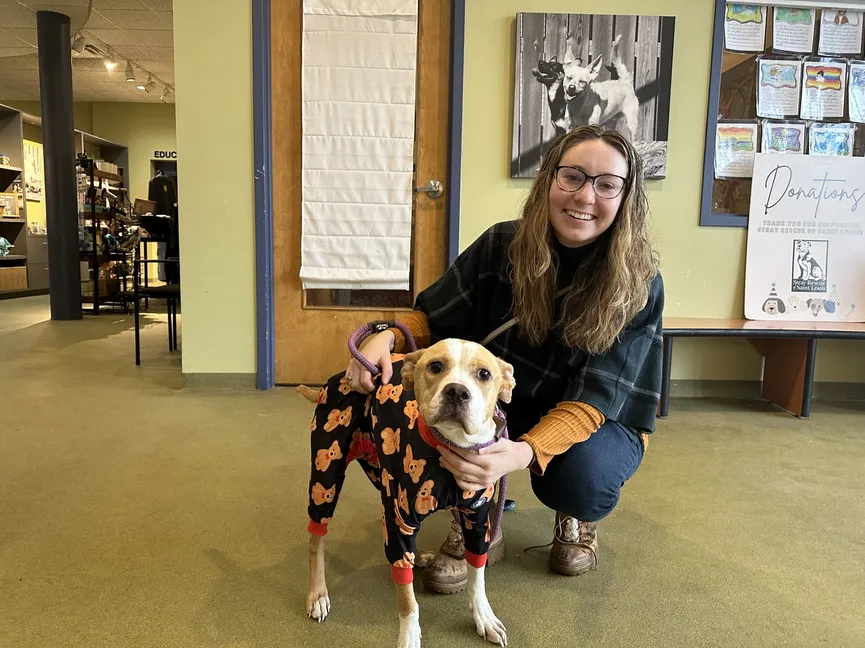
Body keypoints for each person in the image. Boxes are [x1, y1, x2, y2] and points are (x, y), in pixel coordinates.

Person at [339, 125, 663, 593]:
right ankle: (480, 517)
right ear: (549, 179)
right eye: (572, 176)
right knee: (443, 420)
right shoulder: (501, 245)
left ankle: (576, 518)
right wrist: (384, 335)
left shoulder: (641, 284)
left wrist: (521, 452)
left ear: (626, 197)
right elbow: (433, 315)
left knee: (580, 480)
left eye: (607, 184)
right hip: (508, 394)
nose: (585, 196)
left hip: (598, 416)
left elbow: (597, 397)